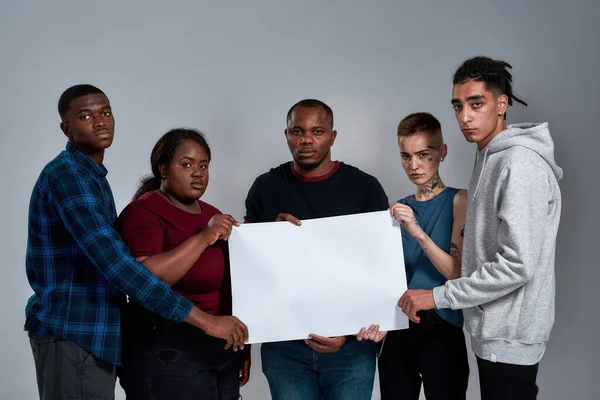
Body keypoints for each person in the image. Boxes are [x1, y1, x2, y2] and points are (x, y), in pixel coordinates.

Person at [25, 85, 248, 400]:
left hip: (99, 332)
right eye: (86, 116)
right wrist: (206, 322)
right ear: (68, 128)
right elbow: (121, 269)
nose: (100, 122)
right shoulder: (69, 178)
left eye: (106, 112)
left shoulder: (92, 178)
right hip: (74, 328)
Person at [398, 57, 563, 400]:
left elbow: (517, 264)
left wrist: (437, 296)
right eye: (458, 106)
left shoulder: (519, 164)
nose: (465, 117)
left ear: (502, 104)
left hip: (510, 336)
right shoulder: (491, 158)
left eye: (476, 104)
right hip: (494, 331)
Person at [244, 99, 389, 399]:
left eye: (317, 131)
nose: (306, 139)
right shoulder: (265, 187)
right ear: (286, 135)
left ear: (332, 137)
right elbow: (248, 268)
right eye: (297, 131)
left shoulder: (365, 188)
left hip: (351, 350)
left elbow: (381, 267)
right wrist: (269, 234)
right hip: (284, 348)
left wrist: (348, 334)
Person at [115, 128, 250, 400]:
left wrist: (242, 347)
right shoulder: (143, 211)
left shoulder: (212, 214)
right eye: (186, 164)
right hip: (166, 352)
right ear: (163, 168)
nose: (198, 172)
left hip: (219, 352)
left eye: (203, 165)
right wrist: (204, 237)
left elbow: (232, 284)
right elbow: (147, 279)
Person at [358, 112, 469, 399]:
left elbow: (456, 273)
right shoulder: (395, 210)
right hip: (397, 327)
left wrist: (416, 230)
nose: (414, 165)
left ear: (442, 152)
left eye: (423, 154)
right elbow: (380, 276)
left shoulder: (459, 200)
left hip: (441, 325)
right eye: (406, 156)